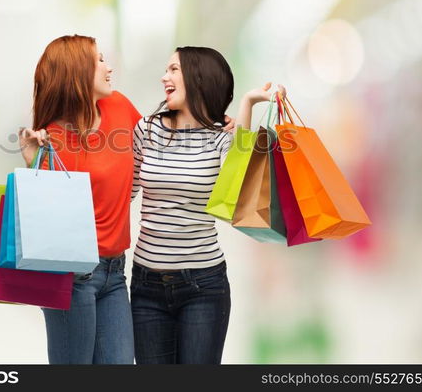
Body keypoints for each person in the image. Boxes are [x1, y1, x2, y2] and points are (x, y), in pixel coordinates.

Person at [130, 45, 285, 364]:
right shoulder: (145, 129)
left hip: (203, 284)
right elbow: (124, 191)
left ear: (198, 78)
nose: (164, 77)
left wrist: (249, 102)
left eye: (173, 70)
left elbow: (239, 175)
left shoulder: (220, 136)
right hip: (146, 286)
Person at [18, 34, 141, 364]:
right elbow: (44, 217)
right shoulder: (51, 138)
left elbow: (158, 144)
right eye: (99, 61)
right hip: (71, 276)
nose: (108, 67)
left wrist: (212, 123)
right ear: (77, 73)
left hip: (115, 273)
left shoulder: (121, 108)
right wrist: (33, 159)